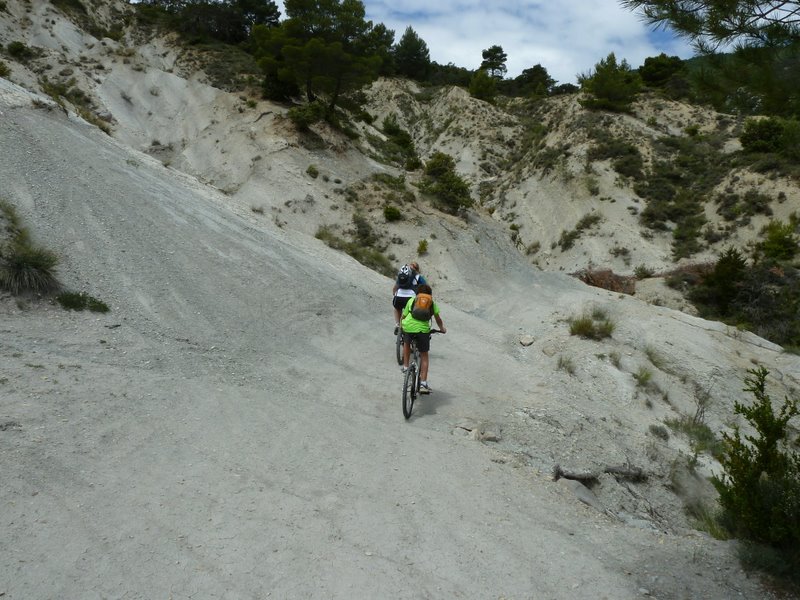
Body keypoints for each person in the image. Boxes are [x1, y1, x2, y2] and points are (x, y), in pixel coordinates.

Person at [401, 283, 446, 394]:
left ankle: (406, 367)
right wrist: (442, 328)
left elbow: (404, 316)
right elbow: (438, 319)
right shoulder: (431, 303)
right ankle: (423, 384)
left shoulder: (412, 300)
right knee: (424, 355)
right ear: (429, 295)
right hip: (423, 331)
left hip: (409, 327)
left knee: (406, 344)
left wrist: (402, 325)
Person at [392, 261, 426, 334]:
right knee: (411, 312)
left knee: (397, 308)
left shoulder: (403, 274)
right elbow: (425, 288)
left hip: (398, 297)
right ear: (417, 270)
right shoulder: (418, 277)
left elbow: (394, 288)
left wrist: (395, 295)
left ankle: (398, 325)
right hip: (411, 298)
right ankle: (408, 328)